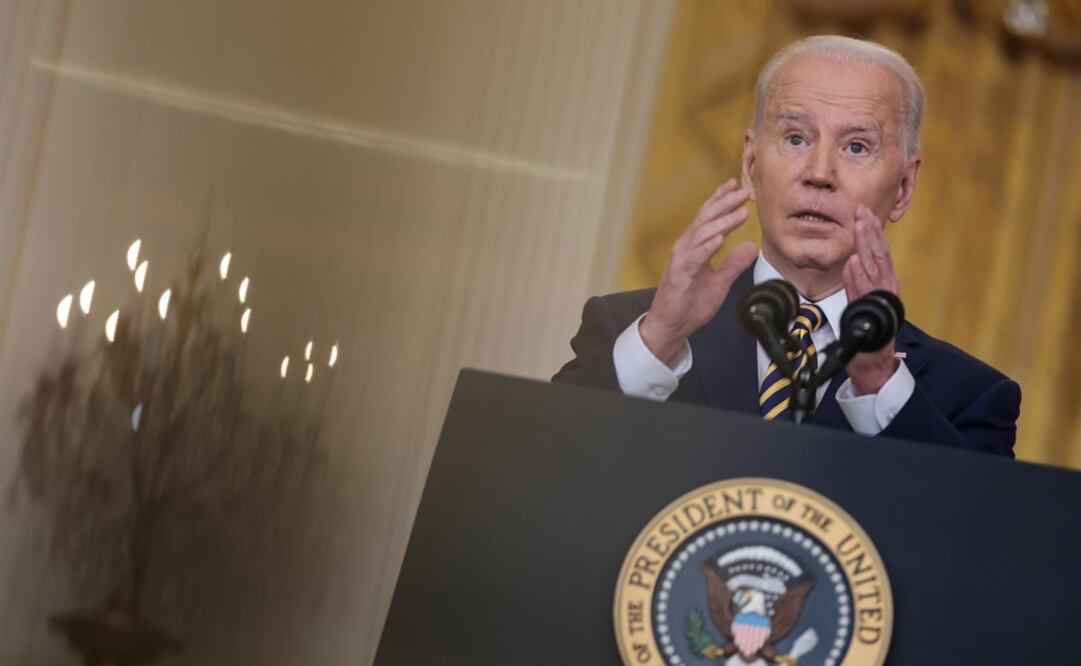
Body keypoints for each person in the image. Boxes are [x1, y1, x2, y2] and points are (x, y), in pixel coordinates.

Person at [553, 35, 1020, 457]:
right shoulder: (628, 331)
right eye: (796, 138)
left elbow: (974, 537)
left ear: (902, 187)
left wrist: (878, 382)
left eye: (857, 147)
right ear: (751, 162)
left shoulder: (969, 397)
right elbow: (541, 466)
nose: (819, 173)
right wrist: (659, 338)